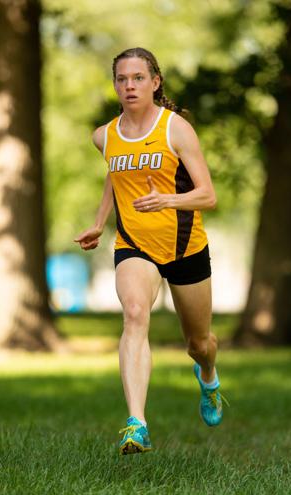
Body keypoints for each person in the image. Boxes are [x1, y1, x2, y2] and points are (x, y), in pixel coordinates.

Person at [75, 47, 226, 456]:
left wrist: (168, 202)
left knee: (199, 342)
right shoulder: (104, 135)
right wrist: (100, 220)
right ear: (115, 85)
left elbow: (208, 195)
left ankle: (208, 376)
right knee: (135, 313)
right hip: (135, 244)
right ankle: (136, 423)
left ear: (155, 82)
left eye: (138, 78)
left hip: (185, 247)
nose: (129, 86)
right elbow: (115, 171)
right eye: (122, 79)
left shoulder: (175, 129)